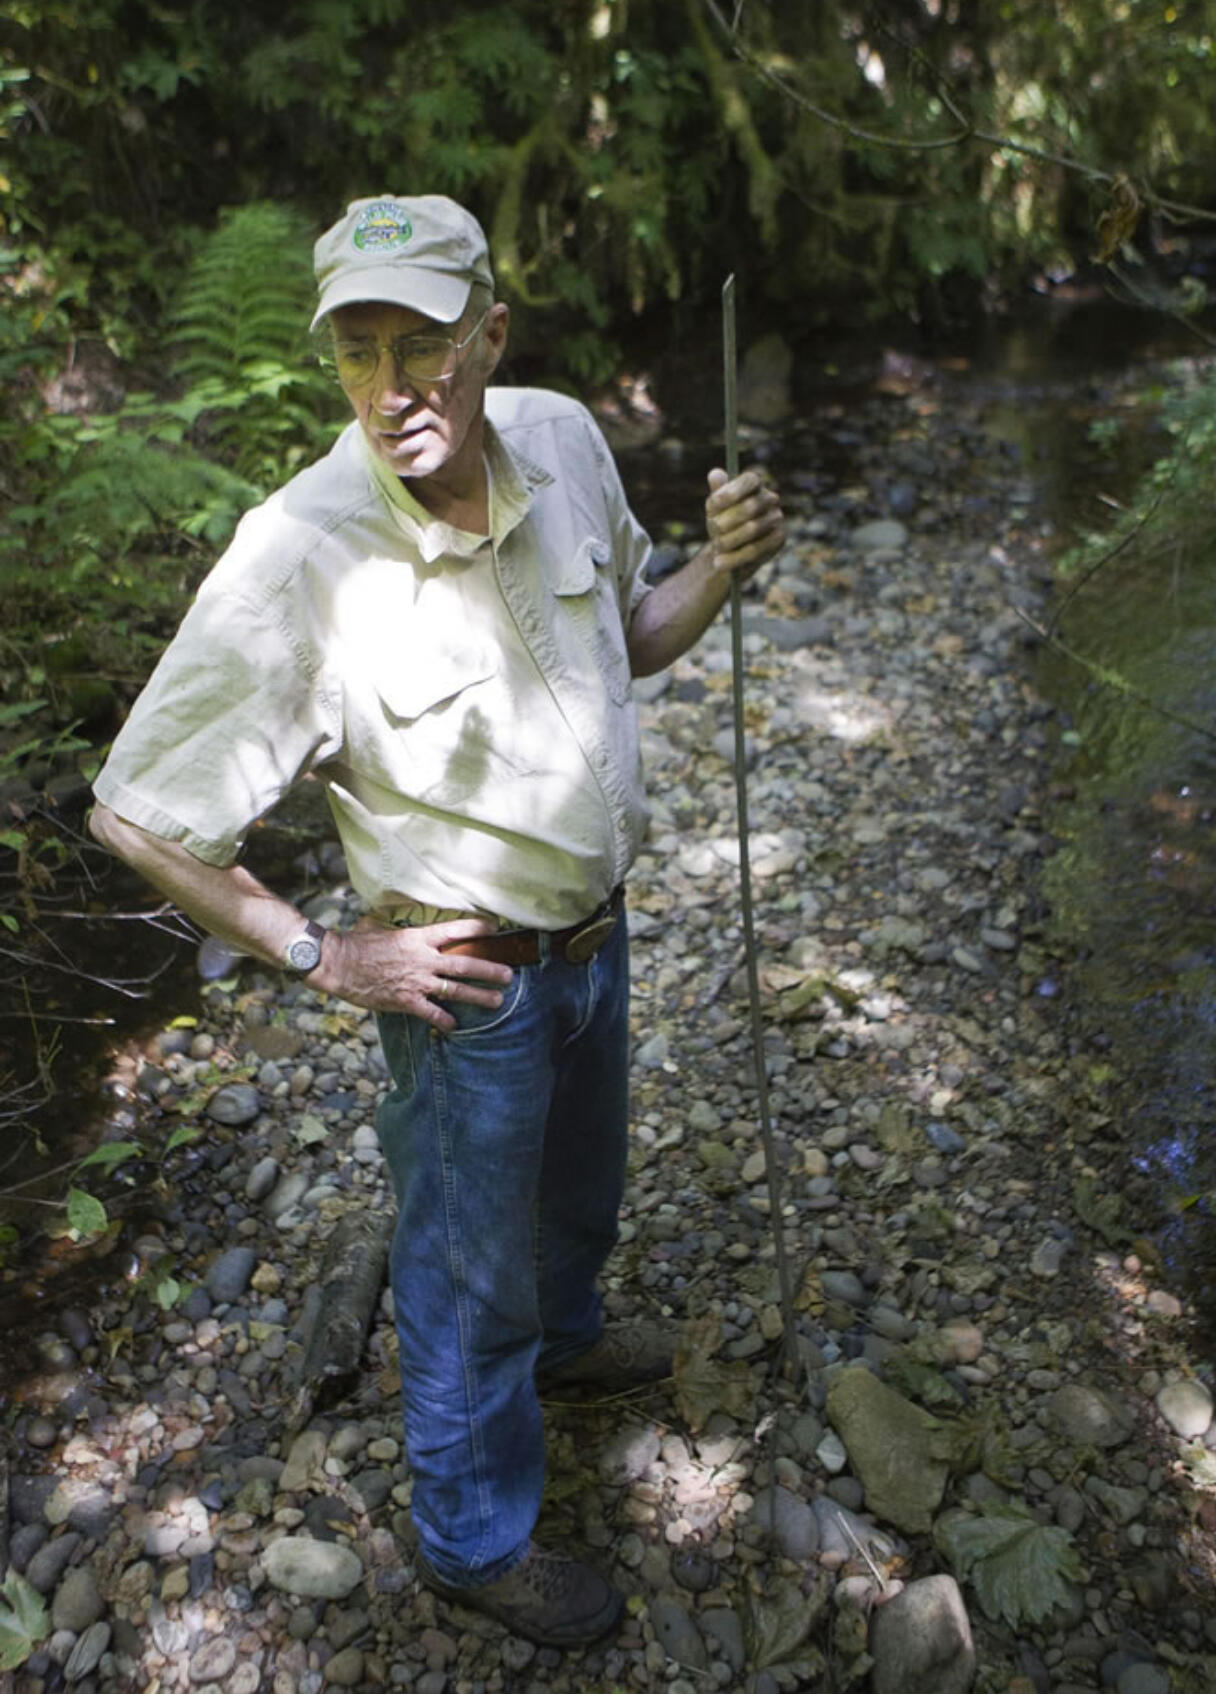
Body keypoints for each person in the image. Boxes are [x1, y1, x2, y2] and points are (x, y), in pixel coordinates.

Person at [90, 193, 785, 1648]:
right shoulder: (296, 550)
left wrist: (718, 564)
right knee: (464, 1283)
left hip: (595, 935)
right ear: (334, 358)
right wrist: (327, 952)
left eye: (425, 342)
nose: (395, 388)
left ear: (491, 332)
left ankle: (575, 1340)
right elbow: (139, 811)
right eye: (359, 351)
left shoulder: (564, 438)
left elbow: (634, 640)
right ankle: (470, 1538)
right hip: (459, 982)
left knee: (576, 1197)